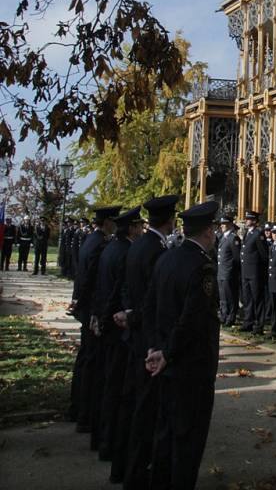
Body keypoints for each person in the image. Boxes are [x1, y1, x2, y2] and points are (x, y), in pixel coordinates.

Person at [144, 200, 220, 490]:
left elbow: (149, 307)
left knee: (165, 432)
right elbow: (192, 321)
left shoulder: (167, 258)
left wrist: (154, 348)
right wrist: (169, 353)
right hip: (191, 365)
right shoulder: (202, 267)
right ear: (209, 232)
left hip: (164, 360)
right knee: (188, 438)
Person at [121, 194, 179, 490]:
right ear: (170, 219)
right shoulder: (156, 249)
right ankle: (139, 474)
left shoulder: (140, 245)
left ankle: (129, 469)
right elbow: (155, 299)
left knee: (137, 404)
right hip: (149, 338)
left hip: (138, 334)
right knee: (148, 411)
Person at [91, 206, 144, 462]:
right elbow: (117, 292)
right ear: (132, 228)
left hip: (107, 325)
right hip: (117, 328)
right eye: (139, 226)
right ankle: (111, 444)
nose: (142, 229)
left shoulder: (111, 247)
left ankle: (102, 439)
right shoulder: (126, 252)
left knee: (106, 383)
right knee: (117, 388)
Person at [69, 205, 120, 431]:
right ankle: (85, 412)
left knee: (86, 359)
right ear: (107, 222)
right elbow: (91, 278)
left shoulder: (92, 240)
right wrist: (89, 308)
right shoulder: (100, 244)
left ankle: (78, 407)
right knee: (92, 361)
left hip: (85, 307)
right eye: (113, 221)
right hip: (91, 309)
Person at [239, 210, 269, 335]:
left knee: (257, 299)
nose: (246, 221)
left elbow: (263, 255)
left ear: (254, 221)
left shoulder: (258, 234)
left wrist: (261, 272)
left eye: (248, 219)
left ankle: (258, 325)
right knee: (248, 299)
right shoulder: (248, 233)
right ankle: (248, 322)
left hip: (255, 273)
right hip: (246, 272)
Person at [216, 213, 241, 326]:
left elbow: (236, 258)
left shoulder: (233, 238)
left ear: (230, 224)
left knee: (230, 296)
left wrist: (232, 272)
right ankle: (223, 315)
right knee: (223, 296)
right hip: (221, 272)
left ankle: (231, 317)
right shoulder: (222, 237)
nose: (222, 226)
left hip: (229, 272)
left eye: (225, 224)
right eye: (221, 224)